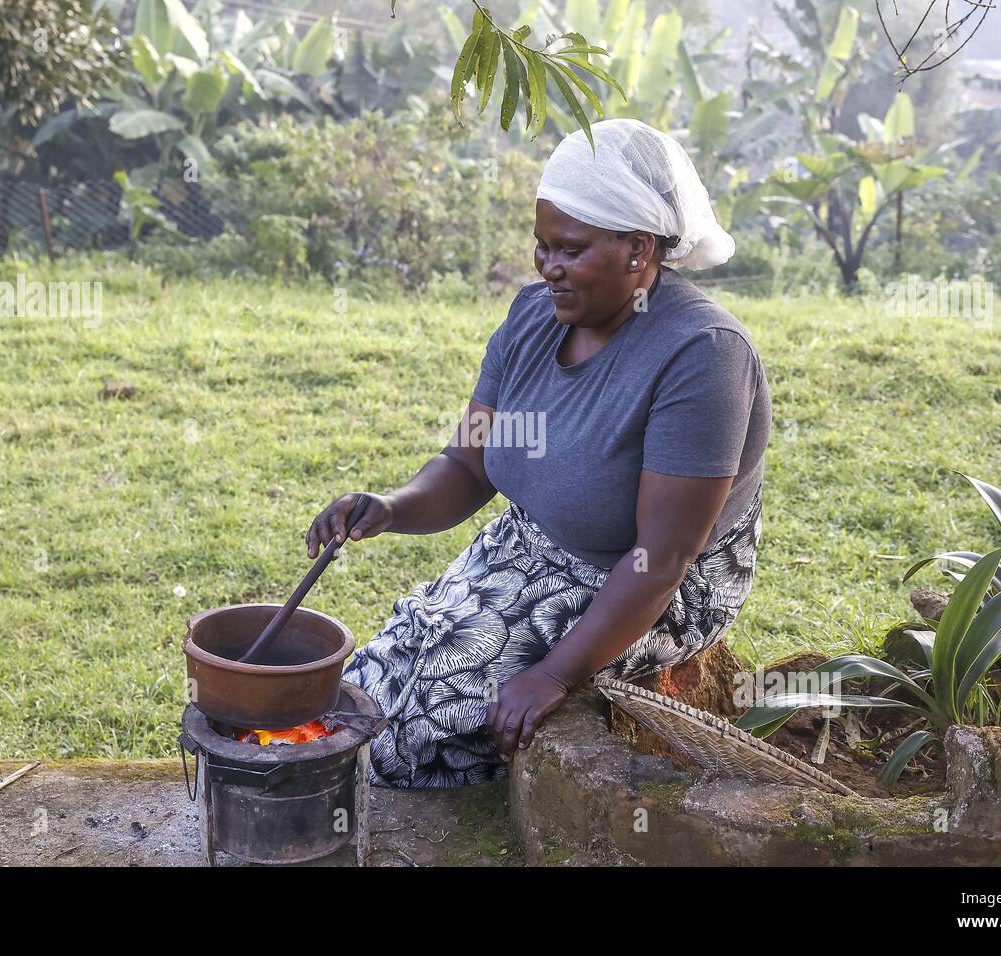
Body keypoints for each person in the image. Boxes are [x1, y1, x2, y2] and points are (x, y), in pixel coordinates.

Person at [307, 118, 772, 788]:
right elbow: (468, 462)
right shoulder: (535, 316)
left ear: (639, 250)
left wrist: (555, 673)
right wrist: (389, 507)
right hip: (530, 544)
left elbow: (663, 555)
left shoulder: (701, 355)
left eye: (570, 250)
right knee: (362, 690)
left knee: (407, 741)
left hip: (651, 584)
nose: (548, 267)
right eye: (542, 247)